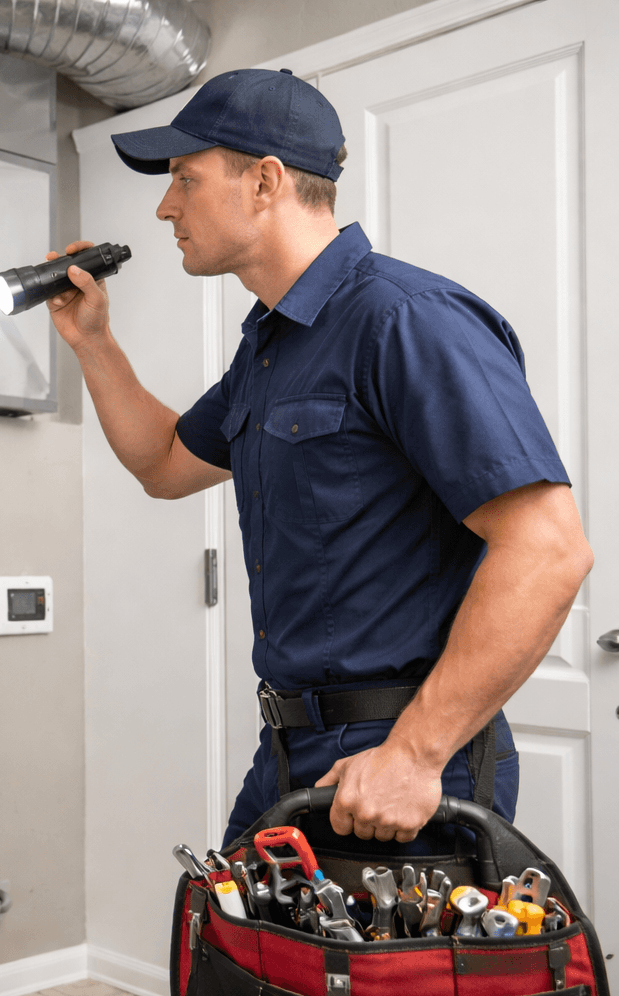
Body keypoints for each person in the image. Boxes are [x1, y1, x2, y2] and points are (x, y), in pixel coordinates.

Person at [49, 68, 592, 847]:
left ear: (264, 181)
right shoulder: (270, 347)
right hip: (288, 749)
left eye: (184, 178)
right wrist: (93, 341)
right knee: (229, 930)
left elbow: (549, 549)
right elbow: (164, 463)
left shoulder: (407, 320)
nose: (166, 206)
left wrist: (414, 754)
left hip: (395, 757)